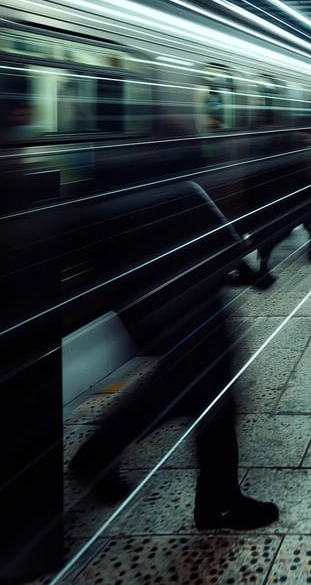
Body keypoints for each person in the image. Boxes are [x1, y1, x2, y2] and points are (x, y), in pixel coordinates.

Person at [69, 185, 279, 531]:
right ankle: (220, 501)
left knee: (183, 388)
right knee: (212, 394)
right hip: (186, 297)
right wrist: (248, 270)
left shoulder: (120, 171)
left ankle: (96, 455)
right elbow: (205, 218)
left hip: (146, 297)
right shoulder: (170, 169)